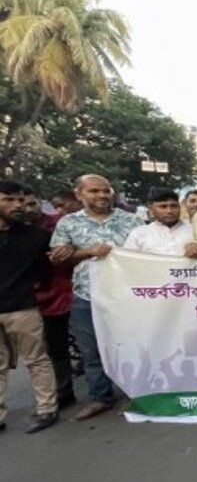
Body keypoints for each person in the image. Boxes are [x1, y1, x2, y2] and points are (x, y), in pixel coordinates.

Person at [50, 174, 144, 420]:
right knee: (91, 351)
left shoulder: (132, 220)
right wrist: (87, 252)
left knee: (131, 345)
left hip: (126, 296)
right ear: (79, 194)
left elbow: (147, 254)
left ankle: (139, 392)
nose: (102, 195)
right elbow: (59, 257)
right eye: (94, 191)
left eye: (106, 191)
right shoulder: (68, 223)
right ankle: (101, 397)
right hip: (86, 295)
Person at [0, 181, 60, 433]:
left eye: (20, 200)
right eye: (9, 200)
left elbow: (48, 268)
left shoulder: (36, 236)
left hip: (23, 308)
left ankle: (47, 409)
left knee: (37, 360)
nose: (17, 205)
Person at [24, 187, 75, 407]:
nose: (24, 208)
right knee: (45, 351)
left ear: (39, 202)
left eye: (30, 203)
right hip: (26, 300)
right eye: (17, 202)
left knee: (61, 348)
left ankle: (64, 393)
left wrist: (70, 249)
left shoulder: (59, 226)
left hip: (61, 294)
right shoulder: (12, 232)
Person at [123, 188, 194, 256]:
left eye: (174, 206)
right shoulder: (139, 233)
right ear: (151, 209)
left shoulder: (194, 230)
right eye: (163, 207)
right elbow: (127, 261)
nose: (169, 211)